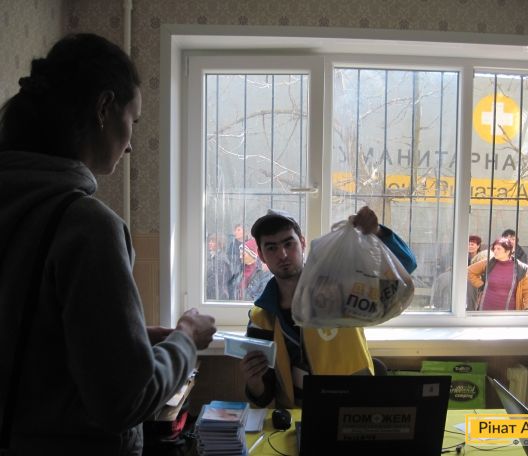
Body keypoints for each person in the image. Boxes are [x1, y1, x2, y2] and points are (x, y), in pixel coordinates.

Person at [0, 34, 217, 455]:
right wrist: (187, 339)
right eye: (133, 120)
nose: (131, 144)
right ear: (103, 108)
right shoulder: (85, 226)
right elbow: (126, 399)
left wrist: (130, 340)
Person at [239, 207, 417, 408]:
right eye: (271, 248)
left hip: (351, 409)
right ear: (261, 255)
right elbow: (264, 396)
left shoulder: (342, 287)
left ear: (303, 243)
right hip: (295, 418)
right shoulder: (261, 320)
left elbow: (405, 265)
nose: (283, 254)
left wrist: (377, 232)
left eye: (289, 243)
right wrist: (254, 382)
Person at [467, 237, 528, 311]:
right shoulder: (489, 263)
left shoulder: (521, 268)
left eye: (498, 249)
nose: (495, 251)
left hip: (508, 313)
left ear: (508, 251)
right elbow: (470, 271)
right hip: (485, 310)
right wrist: (480, 284)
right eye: (494, 248)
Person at [206, 233, 232, 300]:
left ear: (220, 244)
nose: (210, 243)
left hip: (218, 294)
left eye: (213, 241)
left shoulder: (221, 258)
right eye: (210, 241)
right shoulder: (212, 256)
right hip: (212, 293)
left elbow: (219, 279)